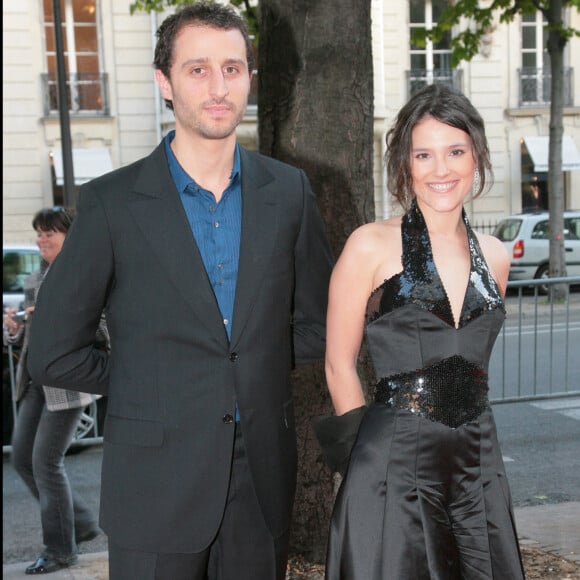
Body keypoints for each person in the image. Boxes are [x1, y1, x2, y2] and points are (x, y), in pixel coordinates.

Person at [27, 3, 333, 579]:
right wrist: (149, 376)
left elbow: (317, 325)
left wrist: (250, 367)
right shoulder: (111, 203)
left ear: (249, 77)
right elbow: (50, 352)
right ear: (164, 81)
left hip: (259, 481)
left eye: (233, 68)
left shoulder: (288, 192)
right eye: (198, 70)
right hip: (153, 486)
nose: (219, 87)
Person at [316, 84, 526, 579]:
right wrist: (363, 466)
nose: (441, 170)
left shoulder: (495, 255)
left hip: (477, 463)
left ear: (476, 157)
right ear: (405, 164)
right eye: (424, 155)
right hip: (392, 464)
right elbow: (337, 363)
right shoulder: (369, 245)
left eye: (455, 151)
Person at [4, 207, 107, 575]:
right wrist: (15, 328)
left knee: (46, 462)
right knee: (21, 458)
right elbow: (26, 337)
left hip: (67, 382)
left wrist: (55, 314)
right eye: (38, 233)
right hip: (34, 382)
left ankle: (61, 549)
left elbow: (103, 330)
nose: (41, 239)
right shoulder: (35, 279)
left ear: (69, 236)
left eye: (50, 233)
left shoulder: (84, 275)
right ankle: (78, 522)